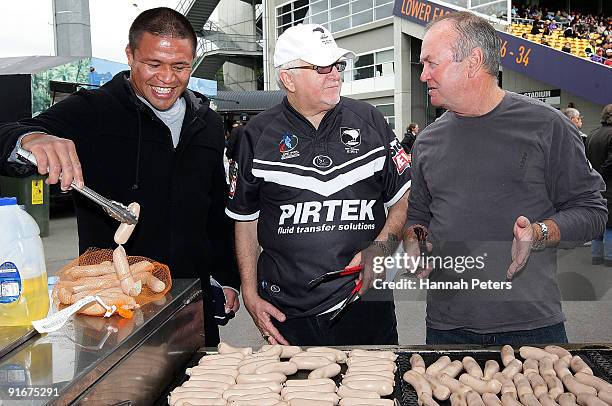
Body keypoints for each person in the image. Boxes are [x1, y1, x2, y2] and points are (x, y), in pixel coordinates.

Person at [0, 7, 240, 346]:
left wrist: (227, 279)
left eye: (180, 66)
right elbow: (10, 134)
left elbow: (216, 211)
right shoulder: (94, 110)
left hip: (192, 299)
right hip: (112, 307)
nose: (167, 78)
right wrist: (30, 139)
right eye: (153, 64)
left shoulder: (209, 124)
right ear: (130, 55)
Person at [404, 11, 606, 345]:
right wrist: (418, 241)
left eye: (430, 63)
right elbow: (418, 216)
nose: (423, 75)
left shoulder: (547, 126)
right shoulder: (426, 141)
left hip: (531, 325)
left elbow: (592, 211)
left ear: (473, 61)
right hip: (446, 326)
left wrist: (540, 232)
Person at [226, 23, 411, 346]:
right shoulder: (256, 134)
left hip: (366, 303)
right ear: (288, 78)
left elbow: (404, 196)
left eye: (337, 65)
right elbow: (246, 221)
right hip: (289, 312)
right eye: (321, 67)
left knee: (375, 395)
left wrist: (380, 250)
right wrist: (250, 293)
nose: (336, 74)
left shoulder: (370, 120)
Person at [586, 105, 612, 266]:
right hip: (609, 185)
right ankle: (610, 258)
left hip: (594, 187)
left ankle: (596, 256)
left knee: (599, 223)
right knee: (611, 225)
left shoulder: (592, 134)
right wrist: (602, 174)